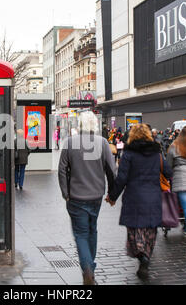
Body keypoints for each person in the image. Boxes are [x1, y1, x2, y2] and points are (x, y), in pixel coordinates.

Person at [106, 124, 172, 279]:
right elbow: (168, 172)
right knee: (150, 229)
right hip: (153, 196)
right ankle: (147, 255)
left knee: (134, 229)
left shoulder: (128, 154)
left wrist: (112, 197)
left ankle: (140, 254)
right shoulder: (157, 153)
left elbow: (122, 178)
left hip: (134, 197)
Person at [58, 111, 116, 285]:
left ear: (81, 125)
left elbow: (62, 170)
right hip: (96, 196)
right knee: (92, 230)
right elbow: (112, 171)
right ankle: (90, 265)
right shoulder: (103, 143)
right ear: (95, 126)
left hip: (75, 196)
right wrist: (112, 194)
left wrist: (65, 193)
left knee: (81, 234)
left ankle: (87, 269)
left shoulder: (70, 143)